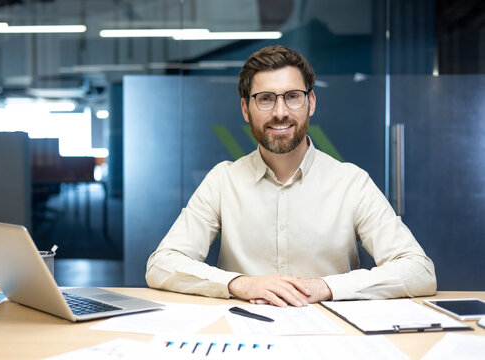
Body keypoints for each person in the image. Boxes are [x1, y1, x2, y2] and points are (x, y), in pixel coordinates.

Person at [145, 45, 436, 307]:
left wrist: (325, 287)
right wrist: (241, 284)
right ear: (246, 109)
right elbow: (162, 264)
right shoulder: (223, 181)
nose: (280, 112)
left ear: (311, 103)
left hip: (331, 336)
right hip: (242, 334)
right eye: (266, 99)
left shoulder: (351, 182)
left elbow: (419, 271)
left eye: (293, 97)